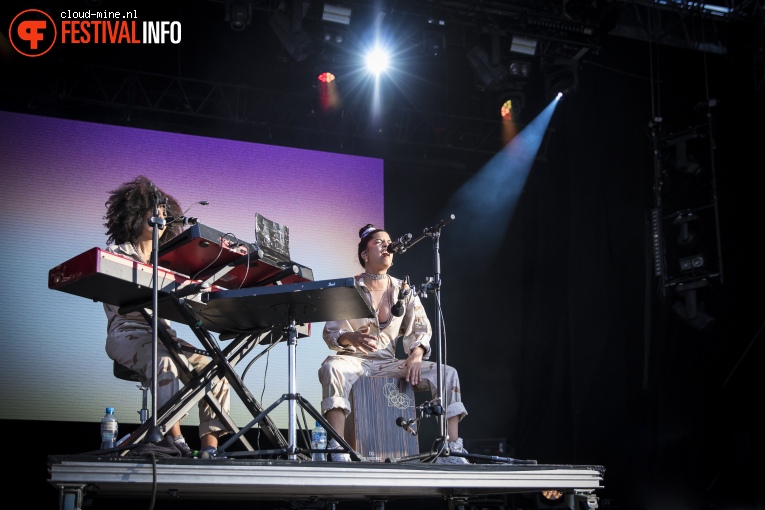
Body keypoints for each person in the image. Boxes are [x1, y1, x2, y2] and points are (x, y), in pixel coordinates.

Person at [318, 224, 470, 464]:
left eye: (388, 242)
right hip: (354, 361)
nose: (386, 246)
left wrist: (417, 354)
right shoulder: (348, 287)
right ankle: (336, 445)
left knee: (447, 374)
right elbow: (331, 333)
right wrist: (352, 338)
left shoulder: (403, 289)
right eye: (379, 242)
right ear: (365, 255)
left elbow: (421, 327)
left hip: (388, 363)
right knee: (332, 367)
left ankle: (451, 449)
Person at [102, 175, 230, 458]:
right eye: (155, 212)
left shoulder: (171, 261)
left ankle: (211, 449)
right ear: (136, 216)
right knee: (165, 361)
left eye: (164, 214)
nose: (162, 218)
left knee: (216, 368)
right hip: (128, 332)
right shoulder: (117, 253)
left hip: (166, 336)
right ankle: (174, 440)